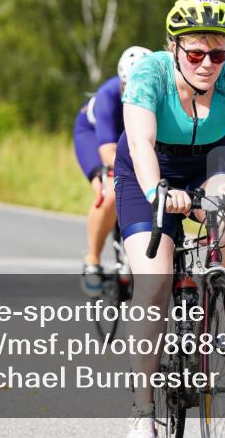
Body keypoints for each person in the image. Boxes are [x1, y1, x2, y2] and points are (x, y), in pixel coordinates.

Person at [115, 0, 225, 438]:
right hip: (149, 167)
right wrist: (157, 193)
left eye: (217, 53)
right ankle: (144, 411)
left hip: (211, 160)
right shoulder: (150, 73)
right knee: (153, 281)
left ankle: (219, 300)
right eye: (196, 53)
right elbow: (141, 143)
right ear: (175, 48)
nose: (208, 63)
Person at [73, 46, 151, 297]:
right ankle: (92, 261)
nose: (138, 93)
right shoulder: (108, 96)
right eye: (131, 86)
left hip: (131, 137)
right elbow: (107, 151)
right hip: (93, 135)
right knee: (110, 193)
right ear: (122, 82)